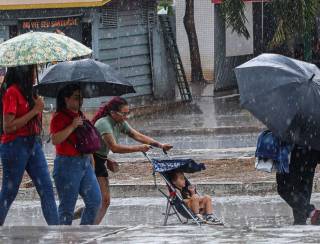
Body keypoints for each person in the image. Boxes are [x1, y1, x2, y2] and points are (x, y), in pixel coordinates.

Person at [74, 96, 173, 224]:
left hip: (101, 160)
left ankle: (85, 222)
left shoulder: (119, 122)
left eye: (128, 113)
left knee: (103, 201)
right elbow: (114, 147)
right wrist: (139, 148)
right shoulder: (104, 123)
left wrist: (159, 145)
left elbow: (136, 135)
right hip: (91, 162)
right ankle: (88, 227)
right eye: (124, 113)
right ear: (113, 112)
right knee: (100, 201)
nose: (126, 117)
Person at [0, 65, 59, 225]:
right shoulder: (12, 92)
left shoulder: (30, 93)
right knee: (9, 192)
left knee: (46, 188)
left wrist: (38, 106)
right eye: (34, 71)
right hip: (14, 145)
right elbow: (8, 126)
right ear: (24, 73)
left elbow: (34, 121)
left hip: (33, 144)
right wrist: (34, 111)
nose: (36, 75)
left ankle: (57, 231)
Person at [50, 84, 101, 225]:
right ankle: (64, 238)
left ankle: (84, 234)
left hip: (85, 163)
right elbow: (55, 139)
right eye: (76, 97)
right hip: (67, 165)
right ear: (66, 99)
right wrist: (72, 126)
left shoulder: (80, 115)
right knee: (67, 209)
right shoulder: (59, 117)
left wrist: (91, 160)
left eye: (81, 97)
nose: (80, 101)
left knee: (95, 201)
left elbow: (85, 142)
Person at [276, 145, 320, 225]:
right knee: (304, 187)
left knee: (284, 187)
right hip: (313, 150)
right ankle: (300, 223)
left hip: (298, 151)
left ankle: (311, 212)